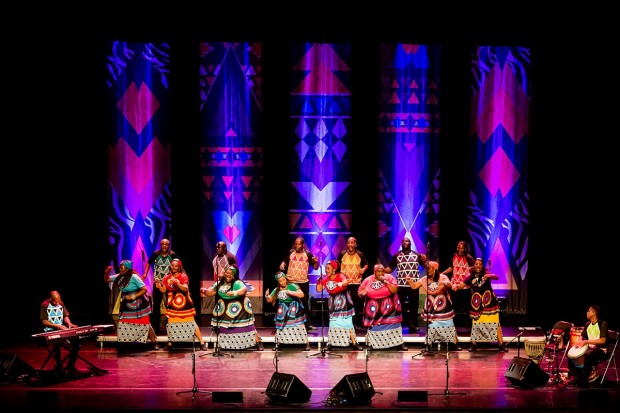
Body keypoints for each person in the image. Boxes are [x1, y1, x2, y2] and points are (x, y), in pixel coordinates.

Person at [201, 265, 264, 351]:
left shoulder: (237, 282)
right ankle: (225, 344)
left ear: (234, 275)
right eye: (227, 273)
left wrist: (234, 292)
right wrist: (204, 290)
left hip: (239, 307)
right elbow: (211, 293)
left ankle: (258, 342)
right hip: (225, 308)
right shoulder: (220, 283)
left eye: (231, 274)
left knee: (247, 326)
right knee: (224, 327)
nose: (228, 275)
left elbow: (244, 290)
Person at [452, 258, 507, 352]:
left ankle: (501, 344)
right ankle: (473, 344)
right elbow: (461, 286)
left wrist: (489, 276)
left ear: (482, 266)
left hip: (489, 302)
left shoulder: (486, 273)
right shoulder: (471, 276)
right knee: (475, 324)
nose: (478, 266)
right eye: (476, 264)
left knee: (495, 323)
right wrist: (454, 286)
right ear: (474, 266)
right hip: (477, 303)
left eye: (480, 264)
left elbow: (496, 277)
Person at [406, 261, 462, 351]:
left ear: (435, 269)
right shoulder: (424, 279)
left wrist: (447, 284)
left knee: (449, 324)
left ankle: (453, 344)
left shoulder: (442, 277)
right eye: (427, 268)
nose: (427, 269)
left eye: (430, 267)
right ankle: (429, 344)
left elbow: (450, 285)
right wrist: (410, 281)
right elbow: (414, 286)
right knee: (432, 326)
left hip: (443, 306)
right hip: (431, 305)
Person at [104, 260, 159, 350]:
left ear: (127, 268)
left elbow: (144, 289)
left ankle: (154, 342)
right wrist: (106, 272)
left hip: (139, 302)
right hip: (127, 302)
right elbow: (107, 279)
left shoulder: (134, 277)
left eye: (122, 267)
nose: (120, 268)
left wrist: (133, 296)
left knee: (145, 322)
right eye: (120, 267)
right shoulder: (119, 276)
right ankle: (123, 344)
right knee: (124, 322)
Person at [155, 259, 207, 351]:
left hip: (184, 303)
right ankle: (170, 343)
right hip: (172, 303)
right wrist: (159, 287)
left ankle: (202, 342)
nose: (174, 267)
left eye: (176, 266)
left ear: (179, 267)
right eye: (172, 265)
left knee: (192, 323)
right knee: (170, 323)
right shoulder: (167, 277)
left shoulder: (183, 276)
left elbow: (185, 289)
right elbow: (164, 290)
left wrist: (177, 283)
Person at [358, 264, 407, 351]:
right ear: (374, 272)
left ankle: (399, 343)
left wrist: (386, 281)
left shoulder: (389, 277)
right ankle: (372, 344)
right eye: (378, 272)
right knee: (374, 327)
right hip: (374, 309)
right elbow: (359, 292)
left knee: (394, 324)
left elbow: (394, 290)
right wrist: (362, 294)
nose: (381, 273)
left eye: (382, 271)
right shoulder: (367, 280)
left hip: (390, 307)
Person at [316, 259, 362, 351]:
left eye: (328, 269)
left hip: (344, 303)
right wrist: (319, 281)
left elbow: (346, 282)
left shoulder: (340, 276)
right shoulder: (326, 279)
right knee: (333, 323)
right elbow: (319, 290)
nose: (326, 270)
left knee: (348, 324)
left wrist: (340, 283)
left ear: (334, 269)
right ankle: (330, 343)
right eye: (326, 269)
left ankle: (355, 343)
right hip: (333, 304)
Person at [385, 237, 427, 332]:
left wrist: (425, 260)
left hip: (413, 285)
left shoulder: (417, 255)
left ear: (410, 243)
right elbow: (390, 269)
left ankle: (413, 325)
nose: (405, 242)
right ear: (401, 243)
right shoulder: (397, 256)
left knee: (413, 306)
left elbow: (425, 266)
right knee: (400, 306)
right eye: (403, 241)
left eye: (407, 241)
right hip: (401, 285)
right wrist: (381, 270)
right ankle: (400, 324)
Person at [279, 237, 319, 331]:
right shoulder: (290, 252)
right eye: (295, 243)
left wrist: (316, 262)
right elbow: (284, 261)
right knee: (289, 302)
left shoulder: (308, 254)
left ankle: (307, 324)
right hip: (291, 281)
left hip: (303, 282)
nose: (297, 245)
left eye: (299, 244)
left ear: (303, 245)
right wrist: (282, 264)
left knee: (304, 303)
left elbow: (316, 267)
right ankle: (287, 322)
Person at [265, 271, 311, 351]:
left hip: (294, 308)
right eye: (280, 281)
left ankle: (306, 343)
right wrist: (267, 296)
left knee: (299, 325)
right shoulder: (277, 290)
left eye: (283, 280)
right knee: (280, 324)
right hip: (283, 310)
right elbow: (270, 300)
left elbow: (302, 294)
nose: (283, 282)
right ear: (278, 282)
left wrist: (290, 292)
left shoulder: (292, 286)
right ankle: (278, 342)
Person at [40, 290, 80, 375]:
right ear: (50, 299)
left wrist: (70, 324)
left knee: (76, 344)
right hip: (51, 330)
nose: (57, 303)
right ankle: (59, 366)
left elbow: (65, 316)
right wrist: (58, 326)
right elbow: (44, 321)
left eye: (58, 301)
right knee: (57, 345)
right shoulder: (45, 305)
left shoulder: (61, 303)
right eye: (55, 302)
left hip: (61, 329)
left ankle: (70, 365)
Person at [143, 238, 179, 333]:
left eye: (166, 244)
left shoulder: (172, 254)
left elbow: (178, 265)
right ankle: (156, 326)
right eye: (162, 244)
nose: (164, 246)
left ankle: (170, 325)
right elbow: (148, 263)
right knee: (156, 305)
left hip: (169, 283)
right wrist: (145, 274)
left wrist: (177, 277)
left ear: (168, 245)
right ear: (160, 245)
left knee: (169, 304)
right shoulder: (156, 254)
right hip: (158, 283)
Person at [568, 305, 608, 387]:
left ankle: (583, 380)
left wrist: (586, 342)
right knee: (570, 354)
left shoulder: (602, 324)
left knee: (588, 355)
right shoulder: (587, 324)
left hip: (601, 350)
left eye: (589, 311)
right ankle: (577, 376)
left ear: (593, 313)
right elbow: (582, 336)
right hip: (590, 348)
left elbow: (603, 340)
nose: (587, 313)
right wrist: (579, 342)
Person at [337, 236, 369, 328]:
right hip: (345, 282)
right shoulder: (342, 254)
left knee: (356, 303)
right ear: (347, 244)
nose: (350, 244)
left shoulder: (360, 254)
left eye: (352, 243)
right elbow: (337, 266)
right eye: (349, 242)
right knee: (345, 302)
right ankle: (345, 322)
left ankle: (356, 323)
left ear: (355, 244)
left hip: (356, 283)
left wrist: (363, 269)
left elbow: (366, 264)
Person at [439, 241, 474, 322]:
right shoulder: (454, 256)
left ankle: (468, 322)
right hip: (454, 284)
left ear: (465, 249)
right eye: (458, 247)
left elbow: (472, 271)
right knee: (453, 303)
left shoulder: (469, 258)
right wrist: (442, 273)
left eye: (462, 248)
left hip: (464, 285)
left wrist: (467, 281)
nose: (460, 249)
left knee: (466, 305)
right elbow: (452, 267)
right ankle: (452, 321)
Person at [202, 241, 238, 315]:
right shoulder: (216, 258)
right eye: (216, 247)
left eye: (219, 247)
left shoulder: (230, 257)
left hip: (228, 284)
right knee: (218, 302)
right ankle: (219, 318)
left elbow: (235, 270)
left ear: (224, 248)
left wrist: (226, 277)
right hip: (218, 284)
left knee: (228, 302)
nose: (217, 249)